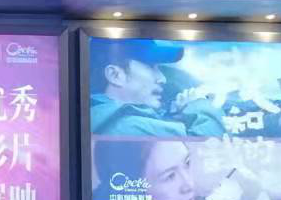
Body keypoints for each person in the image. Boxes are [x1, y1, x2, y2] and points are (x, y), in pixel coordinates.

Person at [89, 38, 224, 138]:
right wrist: (200, 104)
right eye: (151, 67)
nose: (162, 79)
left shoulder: (105, 120)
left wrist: (174, 118)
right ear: (115, 75)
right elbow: (208, 146)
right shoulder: (129, 126)